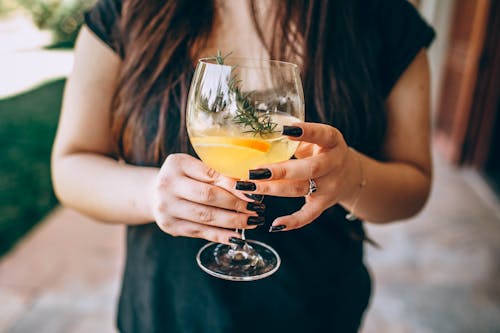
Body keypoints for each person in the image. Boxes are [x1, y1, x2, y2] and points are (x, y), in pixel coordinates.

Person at [51, 0, 435, 332]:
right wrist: (150, 195)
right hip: (166, 310)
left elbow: (414, 187)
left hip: (317, 310)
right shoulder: (128, 10)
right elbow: (71, 165)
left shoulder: (384, 17)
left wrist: (350, 176)